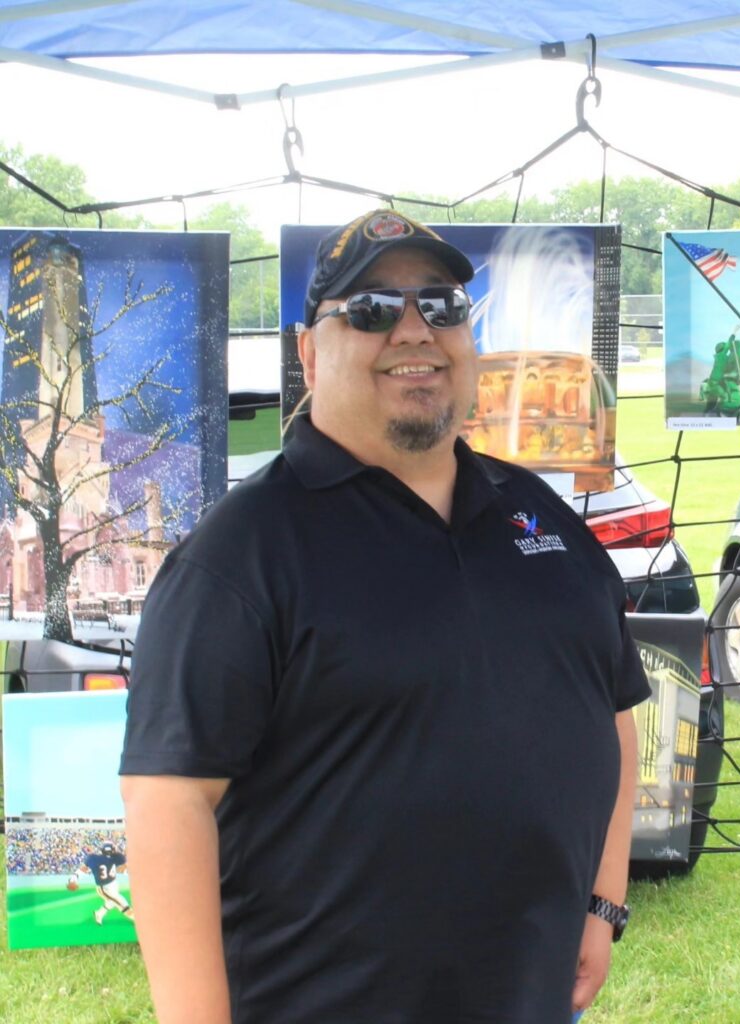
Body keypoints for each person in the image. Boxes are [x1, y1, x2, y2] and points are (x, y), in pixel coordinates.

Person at [120, 209, 647, 1024]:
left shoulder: (538, 512)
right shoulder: (238, 557)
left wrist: (603, 901)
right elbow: (168, 804)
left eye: (441, 308)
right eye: (370, 311)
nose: (414, 332)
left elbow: (611, 708)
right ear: (307, 352)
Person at [75, 841, 134, 925]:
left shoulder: (94, 859)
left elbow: (89, 865)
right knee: (122, 903)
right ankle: (136, 919)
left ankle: (99, 914)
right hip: (105, 887)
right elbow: (121, 860)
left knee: (113, 901)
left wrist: (73, 879)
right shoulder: (116, 857)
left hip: (111, 884)